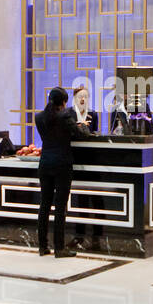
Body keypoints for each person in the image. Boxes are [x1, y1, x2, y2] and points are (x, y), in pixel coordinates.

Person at [34, 87, 90, 257]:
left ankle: (42, 246)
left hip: (45, 164)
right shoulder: (64, 116)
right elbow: (81, 135)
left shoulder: (39, 117)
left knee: (44, 205)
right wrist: (83, 126)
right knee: (60, 207)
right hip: (62, 165)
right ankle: (59, 248)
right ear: (64, 102)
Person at [69, 86, 101, 251]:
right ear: (74, 98)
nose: (83, 99)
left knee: (97, 198)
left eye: (86, 97)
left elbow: (94, 134)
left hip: (92, 160)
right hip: (75, 160)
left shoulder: (93, 114)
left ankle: (97, 236)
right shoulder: (69, 114)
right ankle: (79, 235)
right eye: (80, 96)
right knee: (80, 199)